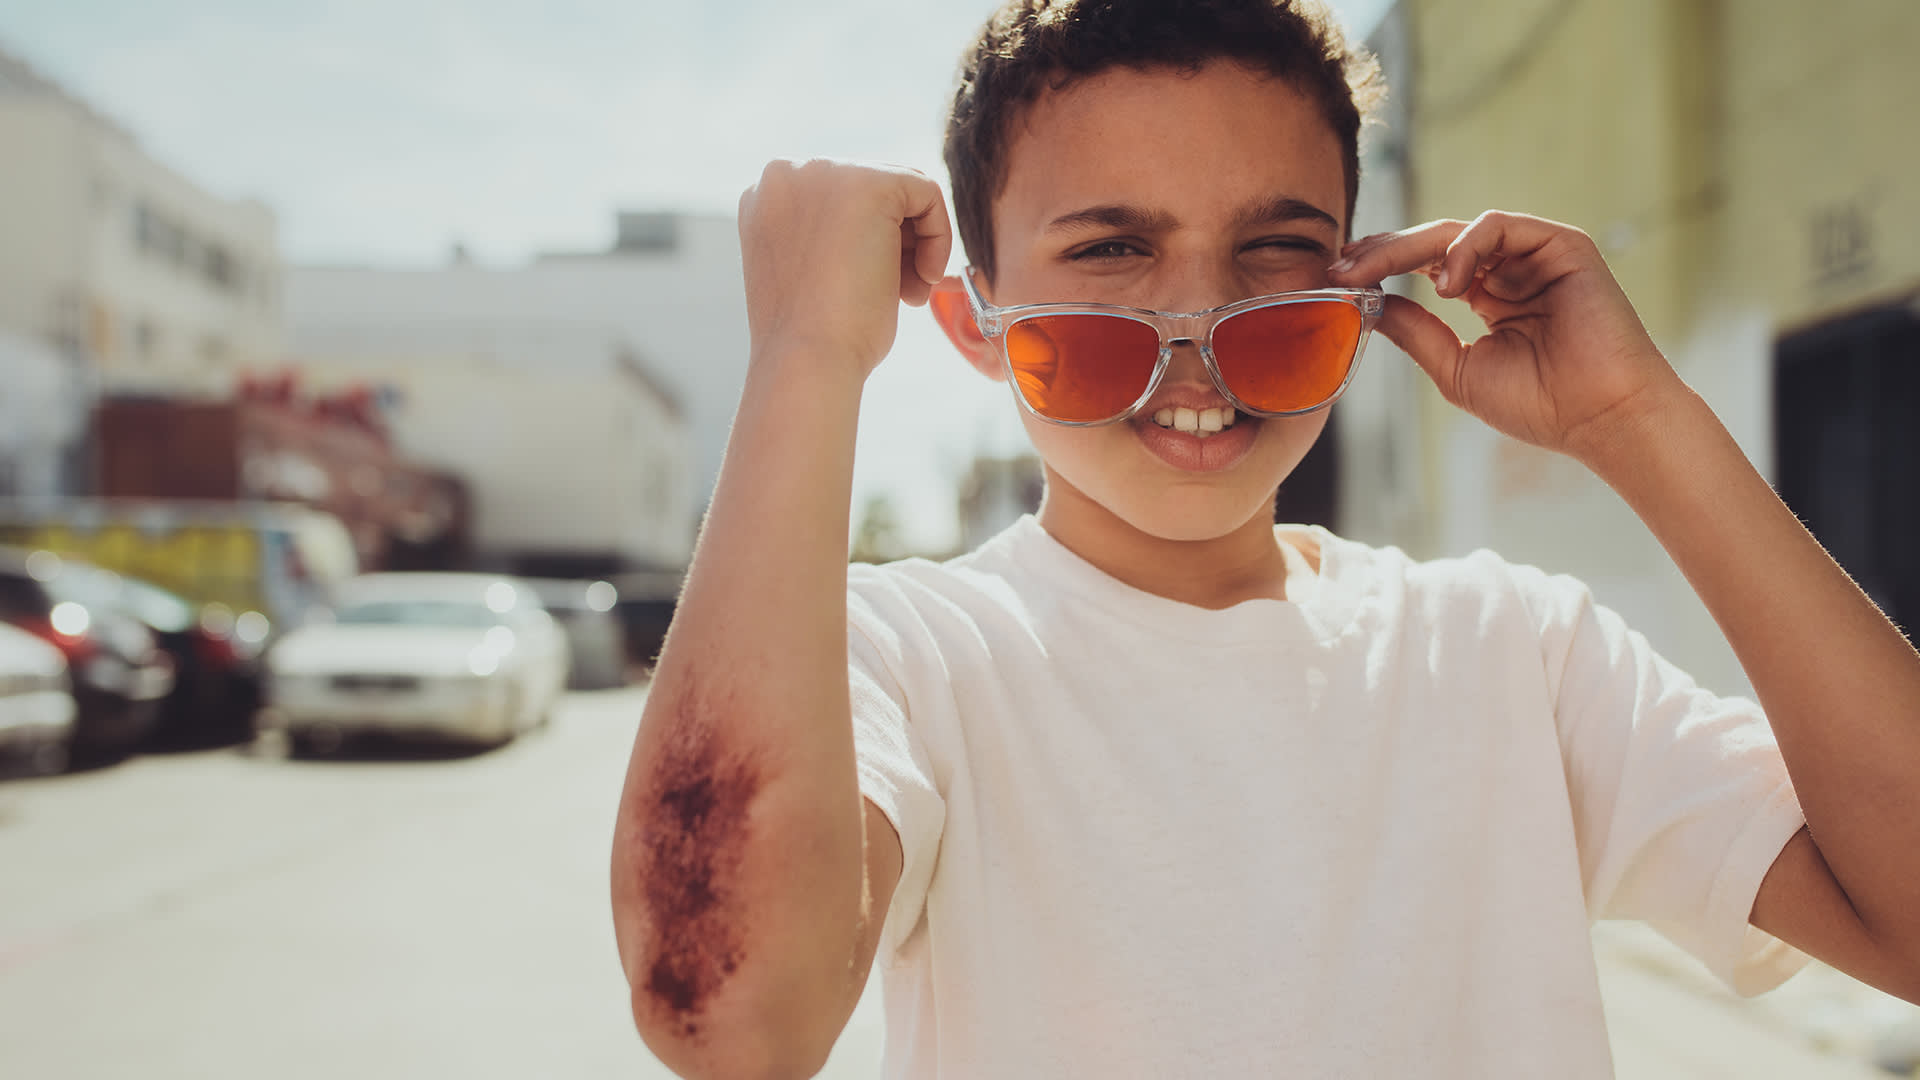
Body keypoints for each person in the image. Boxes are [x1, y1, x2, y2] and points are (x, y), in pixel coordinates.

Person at [609, 1, 1920, 1076]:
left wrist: (1641, 421)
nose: (1198, 332)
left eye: (1274, 252)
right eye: (1114, 249)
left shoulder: (1511, 650)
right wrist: (805, 352)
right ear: (974, 324)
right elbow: (723, 1016)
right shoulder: (911, 662)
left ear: (1354, 292)